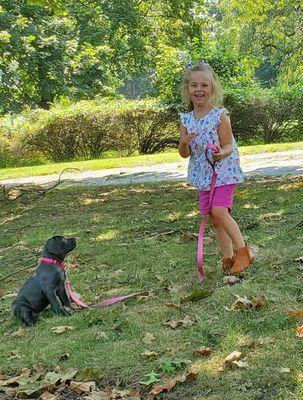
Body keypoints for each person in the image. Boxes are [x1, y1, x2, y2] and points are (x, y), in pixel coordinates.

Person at [178, 61, 254, 275]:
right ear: (187, 89)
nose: (199, 90)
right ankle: (228, 257)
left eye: (204, 85)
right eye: (194, 85)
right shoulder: (185, 120)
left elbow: (228, 144)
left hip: (223, 170)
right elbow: (185, 153)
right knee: (213, 217)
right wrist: (184, 142)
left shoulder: (220, 116)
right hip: (203, 175)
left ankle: (243, 251)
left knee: (220, 211)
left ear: (212, 89)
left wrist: (223, 152)